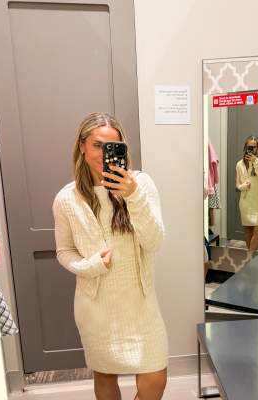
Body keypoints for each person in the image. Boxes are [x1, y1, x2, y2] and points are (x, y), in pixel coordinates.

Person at [52, 112, 168, 400]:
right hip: (96, 307)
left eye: (112, 146)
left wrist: (133, 196)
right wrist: (90, 265)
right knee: (104, 376)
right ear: (82, 146)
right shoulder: (67, 199)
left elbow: (154, 242)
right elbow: (64, 251)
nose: (104, 153)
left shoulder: (141, 185)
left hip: (140, 303)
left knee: (155, 378)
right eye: (96, 145)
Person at [235, 135, 258, 258]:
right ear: (245, 147)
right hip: (245, 202)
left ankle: (250, 258)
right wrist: (244, 186)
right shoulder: (239, 164)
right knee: (248, 230)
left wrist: (255, 161)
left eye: (254, 147)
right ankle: (252, 258)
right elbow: (237, 185)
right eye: (249, 146)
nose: (252, 149)